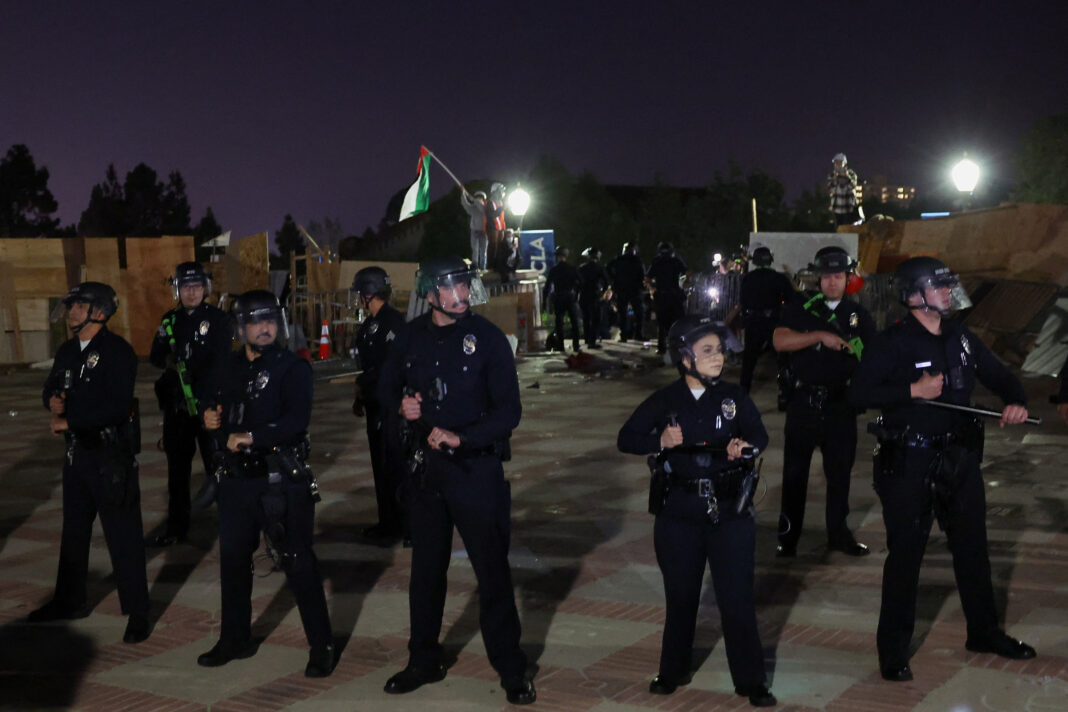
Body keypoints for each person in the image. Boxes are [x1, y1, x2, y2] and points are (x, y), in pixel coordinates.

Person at [849, 256, 1036, 682]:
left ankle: (984, 633)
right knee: (906, 557)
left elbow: (1001, 377)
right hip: (909, 461)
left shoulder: (961, 337)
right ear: (915, 296)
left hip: (959, 460)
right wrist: (911, 390)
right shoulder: (893, 341)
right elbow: (857, 392)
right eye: (940, 286)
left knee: (973, 550)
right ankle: (893, 652)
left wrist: (1016, 401)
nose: (949, 293)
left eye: (949, 285)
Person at [377, 256, 535, 705]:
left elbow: (509, 411)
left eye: (465, 285)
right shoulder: (409, 337)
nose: (461, 294)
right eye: (451, 287)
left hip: (476, 470)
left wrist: (462, 437)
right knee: (426, 572)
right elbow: (385, 388)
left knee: (492, 571)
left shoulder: (486, 339)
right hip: (427, 472)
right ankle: (422, 660)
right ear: (430, 293)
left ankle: (511, 667)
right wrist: (403, 405)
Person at [617, 316, 776, 707]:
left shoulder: (734, 397)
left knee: (736, 598)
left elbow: (760, 436)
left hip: (729, 514)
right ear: (684, 357)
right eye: (708, 350)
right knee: (681, 596)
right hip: (678, 513)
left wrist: (746, 448)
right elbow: (627, 438)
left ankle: (751, 680)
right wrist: (660, 440)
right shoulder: (666, 400)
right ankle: (672, 670)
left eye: (720, 350)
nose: (718, 357)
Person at [197, 290, 334, 678]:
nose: (265, 327)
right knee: (234, 563)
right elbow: (212, 405)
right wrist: (210, 419)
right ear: (241, 327)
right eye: (256, 321)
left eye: (270, 319)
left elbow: (296, 420)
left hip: (279, 479)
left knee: (299, 562)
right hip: (237, 481)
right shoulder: (227, 366)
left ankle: (321, 644)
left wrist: (253, 437)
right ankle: (234, 639)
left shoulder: (293, 368)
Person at [33, 282, 150, 644]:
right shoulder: (68, 351)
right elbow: (51, 387)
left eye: (79, 306)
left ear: (99, 311)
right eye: (71, 306)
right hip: (77, 457)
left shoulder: (118, 352)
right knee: (74, 533)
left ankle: (138, 613)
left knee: (124, 535)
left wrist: (72, 420)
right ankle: (69, 600)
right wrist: (52, 401)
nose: (71, 312)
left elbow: (117, 408)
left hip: (110, 456)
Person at [772, 247, 874, 558]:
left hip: (840, 405)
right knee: (794, 476)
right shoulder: (801, 308)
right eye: (826, 276)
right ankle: (787, 540)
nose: (831, 282)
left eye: (838, 276)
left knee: (840, 476)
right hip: (803, 402)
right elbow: (779, 341)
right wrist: (818, 336)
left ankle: (838, 535)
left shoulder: (858, 316)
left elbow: (873, 358)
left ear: (848, 279)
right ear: (818, 278)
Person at [148, 262, 231, 546]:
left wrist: (213, 401)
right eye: (186, 287)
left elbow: (222, 364)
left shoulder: (219, 320)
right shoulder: (170, 320)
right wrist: (168, 357)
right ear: (178, 290)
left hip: (208, 407)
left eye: (196, 287)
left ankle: (232, 527)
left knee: (218, 468)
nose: (191, 292)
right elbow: (155, 356)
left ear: (205, 288)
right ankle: (176, 529)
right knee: (177, 473)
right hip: (179, 409)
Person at [351, 266, 408, 543]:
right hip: (375, 404)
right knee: (380, 466)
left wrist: (364, 382)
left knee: (394, 466)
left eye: (360, 293)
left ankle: (404, 526)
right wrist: (360, 395)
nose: (358, 299)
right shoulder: (370, 325)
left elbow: (390, 367)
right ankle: (387, 522)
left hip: (391, 406)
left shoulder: (393, 322)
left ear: (368, 293)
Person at [739, 246, 795, 393]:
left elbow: (743, 301)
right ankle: (785, 393)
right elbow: (790, 299)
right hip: (774, 322)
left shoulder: (748, 278)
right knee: (783, 359)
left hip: (753, 322)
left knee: (749, 360)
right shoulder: (780, 278)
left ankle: (743, 392)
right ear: (771, 260)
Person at [647, 241, 688, 354]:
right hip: (674, 295)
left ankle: (662, 348)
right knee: (677, 321)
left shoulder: (657, 261)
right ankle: (678, 347)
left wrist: (653, 289)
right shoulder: (675, 261)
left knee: (661, 323)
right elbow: (685, 271)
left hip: (662, 295)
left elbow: (648, 277)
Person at [543, 245, 582, 352]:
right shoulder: (572, 269)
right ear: (566, 256)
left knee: (559, 322)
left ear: (558, 257)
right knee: (574, 322)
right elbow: (581, 283)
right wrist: (576, 294)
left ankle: (560, 346)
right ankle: (576, 345)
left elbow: (547, 287)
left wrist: (544, 301)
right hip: (570, 297)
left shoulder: (554, 270)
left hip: (558, 297)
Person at [607, 241, 646, 342]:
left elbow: (607, 269)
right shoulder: (637, 260)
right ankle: (638, 334)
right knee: (638, 313)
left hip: (622, 289)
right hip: (634, 289)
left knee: (622, 313)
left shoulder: (618, 260)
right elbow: (642, 275)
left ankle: (624, 335)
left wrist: (614, 279)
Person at [577, 246, 609, 349]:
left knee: (586, 318)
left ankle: (587, 339)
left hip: (583, 296)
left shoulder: (581, 268)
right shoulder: (599, 268)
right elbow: (606, 282)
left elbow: (576, 283)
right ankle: (592, 341)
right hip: (594, 296)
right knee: (595, 319)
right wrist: (603, 293)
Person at [827, 153, 862, 227]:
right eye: (835, 163)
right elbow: (831, 189)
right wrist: (835, 180)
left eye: (839, 163)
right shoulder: (832, 175)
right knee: (839, 230)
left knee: (848, 230)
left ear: (845, 164)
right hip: (837, 208)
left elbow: (852, 186)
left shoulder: (851, 174)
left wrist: (846, 176)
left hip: (848, 207)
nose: (837, 165)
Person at [460, 190, 488, 271]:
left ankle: (483, 266)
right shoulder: (473, 208)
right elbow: (465, 205)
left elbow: (482, 208)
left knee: (483, 250)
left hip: (484, 231)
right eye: (477, 198)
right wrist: (463, 194)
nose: (478, 199)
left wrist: (474, 199)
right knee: (475, 250)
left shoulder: (486, 207)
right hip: (475, 230)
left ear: (483, 199)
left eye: (480, 198)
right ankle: (475, 266)